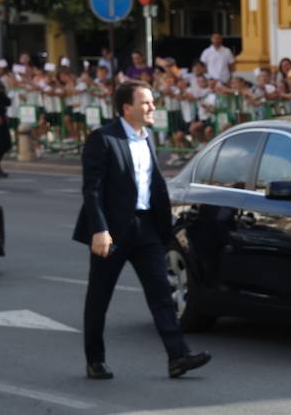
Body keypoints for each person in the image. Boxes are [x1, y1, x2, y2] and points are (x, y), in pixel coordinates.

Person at [72, 81, 211, 380]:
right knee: (99, 297)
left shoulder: (146, 138)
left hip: (145, 228)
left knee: (161, 293)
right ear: (127, 108)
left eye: (152, 102)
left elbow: (153, 185)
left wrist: (167, 224)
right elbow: (92, 189)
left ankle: (178, 356)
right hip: (112, 232)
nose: (152, 108)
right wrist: (100, 230)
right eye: (146, 103)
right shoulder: (103, 139)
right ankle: (94, 360)